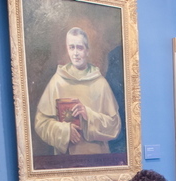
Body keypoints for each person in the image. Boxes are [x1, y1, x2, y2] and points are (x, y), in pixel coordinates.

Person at [34, 27, 121, 155]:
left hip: (97, 157)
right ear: (67, 49)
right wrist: (65, 131)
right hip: (66, 159)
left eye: (80, 48)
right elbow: (41, 123)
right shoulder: (58, 82)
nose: (75, 53)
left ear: (87, 51)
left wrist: (88, 115)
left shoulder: (100, 83)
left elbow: (115, 126)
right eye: (71, 47)